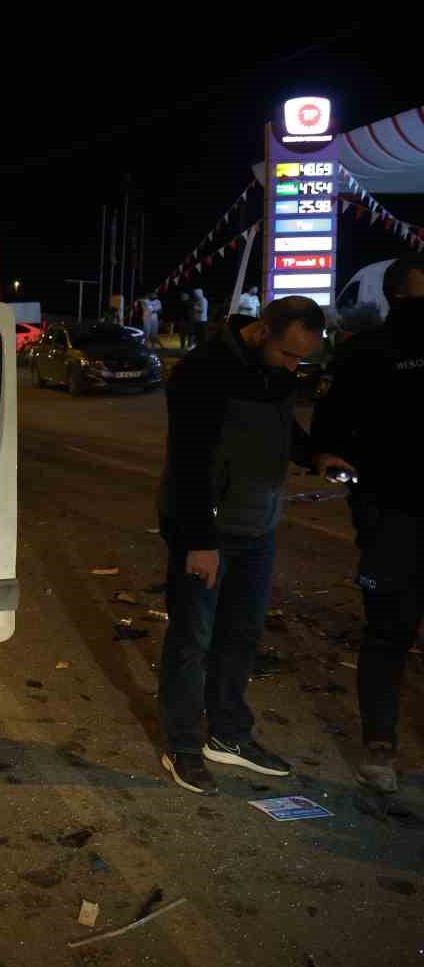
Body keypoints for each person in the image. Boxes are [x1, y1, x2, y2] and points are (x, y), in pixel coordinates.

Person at [156, 296, 326, 794]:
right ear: (262, 332)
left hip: (258, 527)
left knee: (241, 635)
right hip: (207, 532)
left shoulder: (278, 370)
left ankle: (228, 736)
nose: (295, 367)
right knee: (193, 639)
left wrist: (315, 455)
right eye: (290, 355)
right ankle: (183, 746)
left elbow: (280, 428)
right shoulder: (203, 370)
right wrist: (199, 543)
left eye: (304, 359)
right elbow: (189, 462)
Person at [311, 256, 424, 794]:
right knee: (388, 634)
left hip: (386, 518)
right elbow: (328, 435)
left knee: (389, 635)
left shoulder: (363, 353)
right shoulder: (366, 355)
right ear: (400, 297)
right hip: (390, 521)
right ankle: (380, 746)